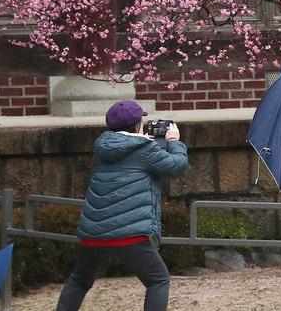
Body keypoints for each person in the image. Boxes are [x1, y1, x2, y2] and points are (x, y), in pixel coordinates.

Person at [55, 100, 189, 311]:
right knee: (158, 279)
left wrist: (141, 140)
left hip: (94, 232)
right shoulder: (145, 149)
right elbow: (177, 165)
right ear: (137, 125)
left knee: (79, 280)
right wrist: (173, 142)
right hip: (131, 232)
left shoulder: (101, 146)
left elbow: (126, 151)